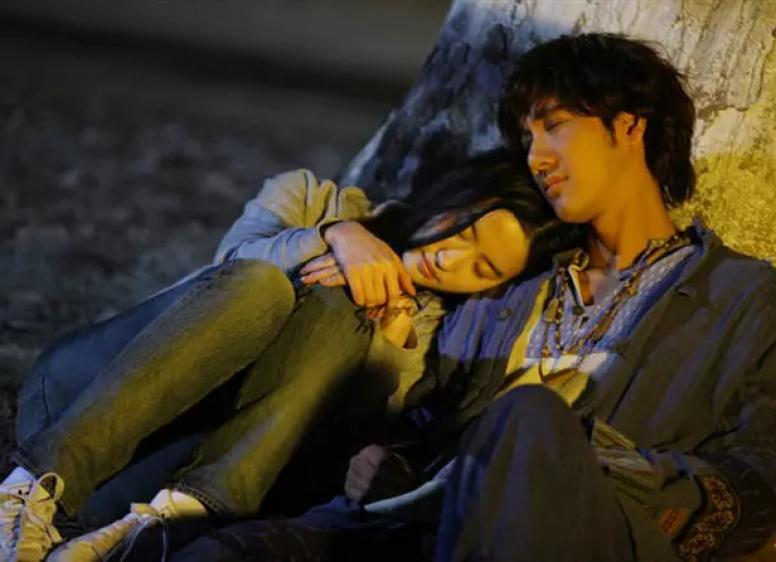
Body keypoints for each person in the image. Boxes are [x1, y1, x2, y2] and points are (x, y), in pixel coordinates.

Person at [171, 33, 776, 562]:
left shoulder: (746, 296)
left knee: (531, 414)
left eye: (555, 126)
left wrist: (613, 471)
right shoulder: (514, 281)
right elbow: (430, 419)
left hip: (598, 532)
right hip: (428, 527)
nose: (537, 157)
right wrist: (390, 462)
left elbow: (762, 472)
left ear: (629, 126)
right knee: (221, 552)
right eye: (528, 138)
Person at [0, 149, 583, 562]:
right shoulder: (310, 198)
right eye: (466, 228)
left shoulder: (428, 341)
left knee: (338, 314)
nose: (451, 258)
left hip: (153, 479)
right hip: (78, 409)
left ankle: (161, 527)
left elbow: (348, 437)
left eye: (483, 268)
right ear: (458, 193)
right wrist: (336, 236)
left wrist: (387, 337)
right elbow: (224, 272)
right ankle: (24, 493)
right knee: (261, 286)